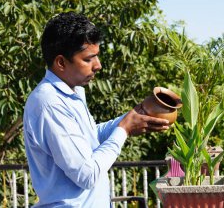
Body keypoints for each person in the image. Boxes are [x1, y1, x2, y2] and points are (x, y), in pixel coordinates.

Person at [23, 12, 170, 207]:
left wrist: (131, 118)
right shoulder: (50, 103)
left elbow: (88, 138)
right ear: (61, 62)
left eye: (97, 57)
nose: (98, 66)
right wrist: (123, 129)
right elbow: (86, 174)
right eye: (88, 59)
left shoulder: (72, 94)